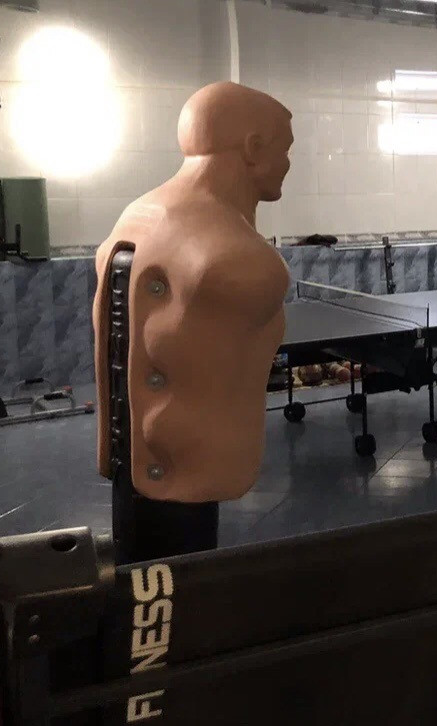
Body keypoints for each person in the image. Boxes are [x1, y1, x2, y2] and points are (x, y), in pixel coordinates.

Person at [92, 82, 293, 564]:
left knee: (152, 585)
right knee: (178, 587)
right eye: (285, 150)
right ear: (253, 147)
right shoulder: (241, 257)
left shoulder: (137, 214)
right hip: (186, 474)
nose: (288, 164)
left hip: (135, 458)